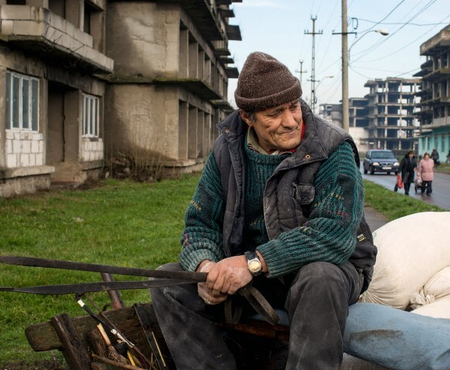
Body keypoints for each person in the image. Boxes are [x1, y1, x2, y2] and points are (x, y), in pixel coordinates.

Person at [150, 52, 376, 370]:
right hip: (251, 274)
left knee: (319, 278)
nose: (291, 120)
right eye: (274, 113)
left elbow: (334, 235)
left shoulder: (332, 147)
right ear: (247, 117)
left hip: (329, 270)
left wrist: (253, 263)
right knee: (167, 280)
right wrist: (207, 269)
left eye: (294, 106)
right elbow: (201, 222)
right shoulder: (225, 151)